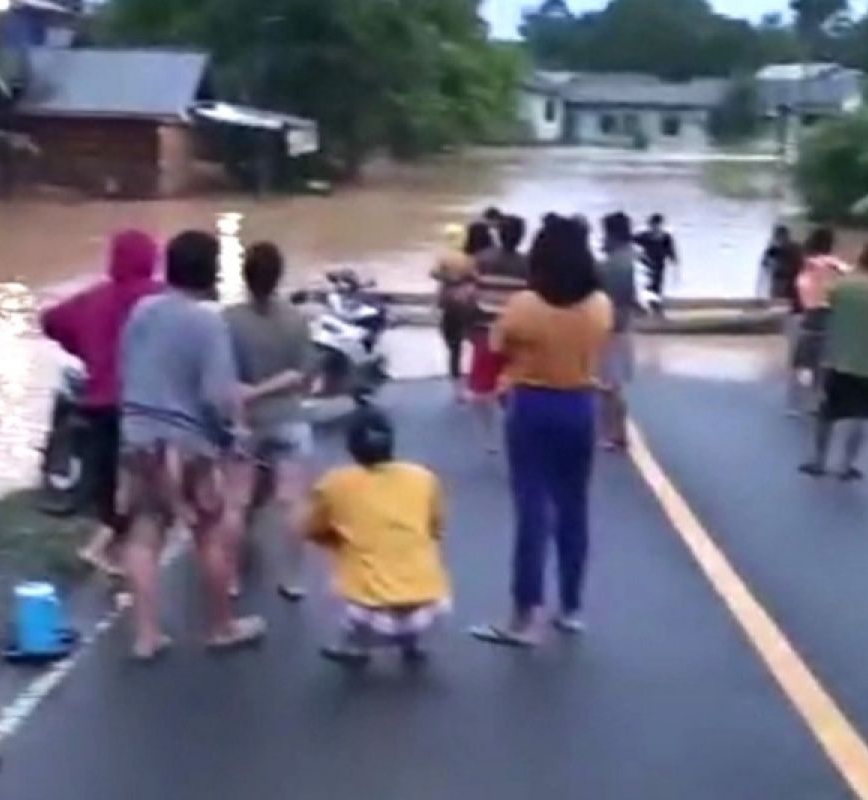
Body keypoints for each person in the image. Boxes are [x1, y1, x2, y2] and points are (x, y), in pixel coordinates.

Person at [118, 230, 265, 659]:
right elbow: (218, 394)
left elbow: (127, 366)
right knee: (210, 534)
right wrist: (234, 439)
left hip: (139, 437)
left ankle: (147, 636)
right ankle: (222, 627)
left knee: (143, 537)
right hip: (186, 445)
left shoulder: (143, 309)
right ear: (210, 270)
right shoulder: (207, 321)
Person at [471, 216, 612, 647]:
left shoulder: (525, 306)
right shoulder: (599, 305)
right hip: (581, 405)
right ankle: (571, 608)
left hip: (532, 404)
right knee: (574, 507)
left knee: (532, 508)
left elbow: (495, 346)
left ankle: (524, 615)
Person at [41, 229, 162, 576]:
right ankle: (113, 552)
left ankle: (106, 548)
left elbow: (50, 320)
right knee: (145, 485)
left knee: (113, 481)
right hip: (142, 405)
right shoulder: (158, 298)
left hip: (99, 406)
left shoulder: (93, 298)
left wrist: (83, 348)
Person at [305, 407, 451, 665]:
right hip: (431, 608)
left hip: (368, 613)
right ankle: (411, 643)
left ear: (350, 447)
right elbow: (436, 528)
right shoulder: (423, 477)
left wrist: (337, 542)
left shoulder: (334, 483)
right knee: (413, 559)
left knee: (345, 570)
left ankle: (355, 646)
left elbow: (312, 529)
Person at [225, 242, 315, 601]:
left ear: (245, 276)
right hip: (290, 419)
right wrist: (270, 389)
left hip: (245, 422)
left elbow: (222, 375)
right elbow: (303, 376)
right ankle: (292, 579)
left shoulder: (229, 319)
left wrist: (249, 394)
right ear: (279, 276)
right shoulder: (296, 319)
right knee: (292, 502)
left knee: (236, 502)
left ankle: (229, 578)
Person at [800, 242, 868, 480]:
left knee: (828, 414)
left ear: (862, 258)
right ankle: (847, 465)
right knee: (862, 417)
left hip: (839, 358)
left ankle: (819, 461)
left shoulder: (842, 287)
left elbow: (826, 307)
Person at [469, 214, 529, 453]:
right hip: (517, 333)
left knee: (481, 389)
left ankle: (488, 438)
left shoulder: (481, 260)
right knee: (515, 384)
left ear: (498, 234)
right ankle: (514, 425)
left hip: (485, 330)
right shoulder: (528, 264)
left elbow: (472, 293)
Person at [789, 226, 850, 415]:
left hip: (812, 312)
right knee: (817, 358)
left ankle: (805, 400)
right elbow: (848, 271)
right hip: (823, 312)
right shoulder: (824, 262)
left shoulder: (810, 262)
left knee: (805, 359)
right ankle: (816, 399)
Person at [597, 212, 643, 452]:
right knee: (611, 385)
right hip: (622, 327)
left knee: (608, 386)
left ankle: (614, 434)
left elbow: (615, 297)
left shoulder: (615, 264)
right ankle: (617, 432)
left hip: (612, 328)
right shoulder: (628, 258)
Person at [430, 224, 478, 397]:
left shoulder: (443, 258)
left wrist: (448, 278)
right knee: (472, 340)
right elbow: (475, 277)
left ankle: (457, 387)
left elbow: (433, 274)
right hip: (466, 302)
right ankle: (474, 379)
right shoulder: (469, 258)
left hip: (448, 302)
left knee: (453, 346)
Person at [635, 213, 679, 302]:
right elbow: (630, 241)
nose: (655, 227)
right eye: (653, 224)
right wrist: (637, 256)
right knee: (648, 282)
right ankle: (649, 300)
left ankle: (656, 300)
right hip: (646, 263)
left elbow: (670, 249)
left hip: (660, 262)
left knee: (658, 283)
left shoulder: (665, 236)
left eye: (657, 224)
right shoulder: (644, 236)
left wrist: (673, 259)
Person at [759, 224, 804, 304]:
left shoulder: (776, 250)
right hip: (783, 282)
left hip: (788, 283)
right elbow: (764, 266)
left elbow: (765, 266)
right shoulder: (773, 250)